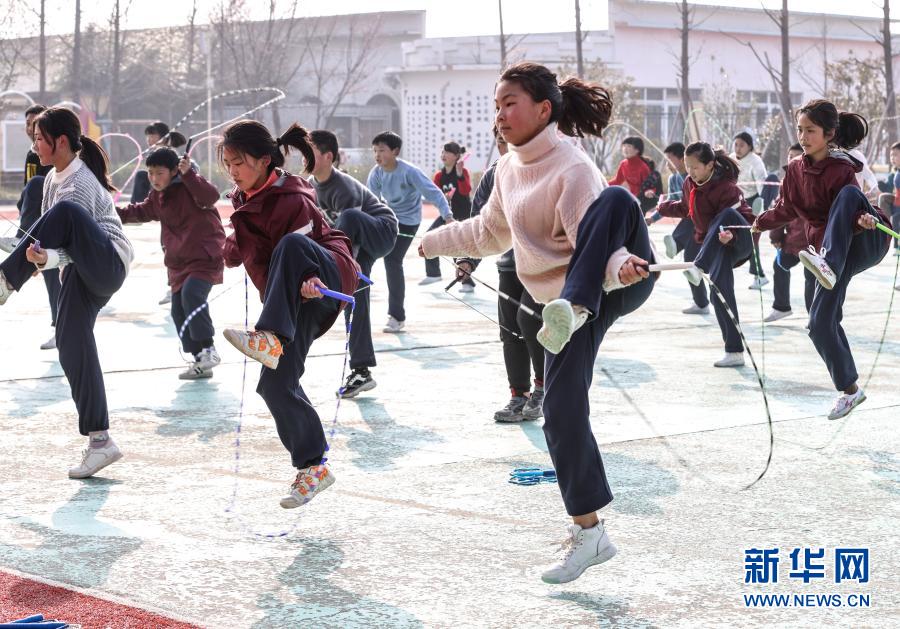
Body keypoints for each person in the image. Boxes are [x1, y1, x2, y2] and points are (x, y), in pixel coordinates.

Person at [420, 62, 658, 584]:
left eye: (510, 104)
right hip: (559, 310)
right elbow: (489, 233)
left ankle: (575, 307)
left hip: (613, 280)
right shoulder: (508, 169)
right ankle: (591, 534)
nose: (500, 115)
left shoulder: (574, 168)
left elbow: (597, 240)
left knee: (616, 197)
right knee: (559, 413)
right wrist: (433, 241)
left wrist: (619, 267)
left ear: (544, 109)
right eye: (496, 106)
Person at [218, 121, 359, 508]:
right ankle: (314, 468)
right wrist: (229, 248)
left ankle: (270, 337)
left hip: (328, 277)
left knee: (292, 247)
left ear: (264, 160)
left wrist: (310, 278)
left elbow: (303, 245)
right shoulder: (245, 199)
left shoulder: (291, 198)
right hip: (292, 300)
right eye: (228, 164)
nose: (232, 171)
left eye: (239, 163)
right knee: (275, 386)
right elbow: (246, 246)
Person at [0, 106, 134, 479]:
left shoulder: (80, 181)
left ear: (60, 141)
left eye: (39, 139)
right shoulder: (50, 181)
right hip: (78, 271)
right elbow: (60, 246)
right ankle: (100, 441)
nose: (34, 146)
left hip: (107, 263)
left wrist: (45, 256)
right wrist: (42, 257)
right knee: (71, 343)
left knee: (64, 213)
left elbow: (73, 233)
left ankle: (5, 280)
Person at [754, 99, 891, 420]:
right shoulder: (795, 169)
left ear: (829, 134)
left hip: (864, 240)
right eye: (800, 130)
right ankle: (850, 391)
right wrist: (761, 222)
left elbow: (851, 207)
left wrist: (863, 220)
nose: (803, 137)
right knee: (818, 324)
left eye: (810, 130)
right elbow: (787, 207)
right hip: (827, 254)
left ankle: (829, 263)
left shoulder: (843, 169)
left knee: (849, 195)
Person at [456, 129, 545, 422]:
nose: (506, 147)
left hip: (541, 265)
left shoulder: (545, 167)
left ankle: (543, 387)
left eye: (512, 140)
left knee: (530, 320)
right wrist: (468, 259)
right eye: (500, 142)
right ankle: (518, 395)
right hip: (508, 264)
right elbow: (479, 222)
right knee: (509, 331)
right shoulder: (493, 175)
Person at [116, 147, 225, 380]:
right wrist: (108, 212)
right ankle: (200, 360)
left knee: (192, 295)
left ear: (174, 170)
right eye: (150, 173)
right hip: (178, 263)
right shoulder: (158, 197)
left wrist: (189, 175)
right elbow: (139, 211)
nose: (154, 178)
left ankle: (209, 349)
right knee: (177, 310)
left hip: (204, 257)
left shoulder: (190, 186)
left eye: (160, 173)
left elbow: (211, 196)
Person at [308, 129, 399, 398]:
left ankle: (343, 269)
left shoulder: (344, 187)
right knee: (354, 298)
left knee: (348, 218)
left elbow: (348, 232)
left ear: (328, 157)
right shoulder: (309, 187)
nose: (304, 158)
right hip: (354, 246)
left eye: (310, 153)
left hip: (381, 231)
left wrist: (343, 266)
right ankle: (361, 371)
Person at [655, 142, 756, 368]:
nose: (690, 172)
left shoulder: (727, 188)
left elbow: (744, 221)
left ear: (710, 165)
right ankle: (734, 352)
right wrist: (663, 208)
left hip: (740, 240)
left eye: (695, 167)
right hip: (716, 244)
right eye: (687, 166)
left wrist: (732, 236)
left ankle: (698, 266)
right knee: (719, 292)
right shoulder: (689, 183)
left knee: (725, 214)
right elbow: (686, 209)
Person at [366, 131, 452, 332]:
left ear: (395, 151)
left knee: (392, 260)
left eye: (382, 150)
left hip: (408, 222)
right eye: (375, 151)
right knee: (364, 253)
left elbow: (433, 193)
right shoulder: (376, 173)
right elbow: (370, 201)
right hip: (388, 218)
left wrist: (447, 216)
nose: (377, 155)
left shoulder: (410, 172)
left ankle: (397, 316)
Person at [0, 104, 59, 350]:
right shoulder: (32, 154)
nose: (30, 129)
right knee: (50, 271)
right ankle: (60, 328)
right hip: (40, 220)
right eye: (28, 124)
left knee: (57, 271)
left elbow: (39, 187)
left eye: (35, 125)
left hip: (58, 215)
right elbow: (28, 194)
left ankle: (20, 242)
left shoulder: (61, 153)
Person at [649, 142, 709, 315]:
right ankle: (701, 304)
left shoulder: (696, 176)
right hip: (690, 227)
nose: (667, 163)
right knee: (689, 261)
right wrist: (652, 218)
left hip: (704, 223)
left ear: (683, 159)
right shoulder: (673, 179)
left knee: (692, 214)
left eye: (670, 159)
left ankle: (676, 243)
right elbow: (673, 204)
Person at [765, 144, 814, 323]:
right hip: (793, 240)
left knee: (811, 278)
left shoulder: (815, 179)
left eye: (797, 156)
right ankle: (781, 307)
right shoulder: (787, 181)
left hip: (813, 242)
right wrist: (776, 236)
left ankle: (814, 318)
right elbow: (779, 210)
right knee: (780, 265)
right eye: (790, 156)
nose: (792, 159)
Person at [425, 142, 474, 289]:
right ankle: (433, 274)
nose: (443, 155)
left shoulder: (463, 171)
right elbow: (435, 196)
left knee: (458, 245)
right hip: (447, 215)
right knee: (428, 237)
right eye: (443, 152)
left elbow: (466, 191)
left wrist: (459, 175)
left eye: (447, 152)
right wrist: (444, 198)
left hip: (463, 216)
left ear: (456, 156)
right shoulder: (439, 175)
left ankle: (466, 280)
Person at [731, 132, 769, 289]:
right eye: (736, 144)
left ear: (750, 147)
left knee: (751, 238)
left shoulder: (755, 161)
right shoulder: (731, 158)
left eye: (742, 145)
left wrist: (761, 206)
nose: (738, 148)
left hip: (753, 201)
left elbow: (762, 183)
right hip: (735, 202)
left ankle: (759, 275)